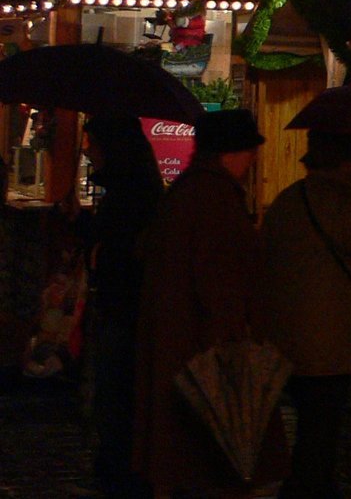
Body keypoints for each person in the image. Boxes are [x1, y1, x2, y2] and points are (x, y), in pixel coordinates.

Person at [133, 108, 288, 497]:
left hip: (179, 349)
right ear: (232, 152)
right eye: (250, 151)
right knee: (213, 461)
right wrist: (237, 340)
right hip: (206, 355)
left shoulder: (186, 194)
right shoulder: (214, 200)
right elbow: (220, 285)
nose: (253, 160)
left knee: (183, 458)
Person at [261, 130, 351, 499]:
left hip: (287, 335)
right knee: (320, 430)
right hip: (328, 340)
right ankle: (309, 490)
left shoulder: (288, 200)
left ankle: (306, 486)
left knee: (311, 425)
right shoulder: (344, 203)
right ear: (345, 162)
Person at [82, 114, 164, 499]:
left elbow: (125, 252)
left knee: (117, 392)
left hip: (127, 307)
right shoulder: (131, 188)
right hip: (125, 305)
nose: (88, 151)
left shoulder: (131, 194)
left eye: (93, 143)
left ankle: (122, 469)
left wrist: (95, 240)